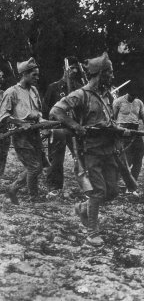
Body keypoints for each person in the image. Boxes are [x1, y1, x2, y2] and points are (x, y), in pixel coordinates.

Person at [50, 52, 118, 246]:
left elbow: (107, 121)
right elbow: (56, 111)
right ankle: (91, 232)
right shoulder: (81, 94)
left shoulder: (105, 96)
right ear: (100, 73)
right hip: (90, 151)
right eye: (110, 72)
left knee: (112, 191)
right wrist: (76, 126)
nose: (112, 76)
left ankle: (83, 208)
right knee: (97, 192)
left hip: (108, 149)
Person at [0, 58, 44, 204]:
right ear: (24, 74)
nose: (37, 78)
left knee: (39, 164)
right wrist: (21, 123)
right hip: (20, 135)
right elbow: (4, 116)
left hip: (34, 132)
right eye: (34, 75)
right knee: (34, 166)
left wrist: (43, 123)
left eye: (38, 75)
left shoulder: (34, 90)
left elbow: (38, 112)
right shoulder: (11, 92)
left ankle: (14, 188)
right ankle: (32, 197)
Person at [43, 57, 82, 196]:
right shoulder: (53, 87)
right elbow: (46, 109)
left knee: (82, 157)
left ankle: (87, 187)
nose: (75, 70)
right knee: (56, 160)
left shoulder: (79, 89)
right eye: (72, 67)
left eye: (76, 68)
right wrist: (47, 128)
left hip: (75, 128)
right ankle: (54, 188)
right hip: (58, 128)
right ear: (65, 69)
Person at [113, 85, 144, 181]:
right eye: (131, 96)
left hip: (135, 132)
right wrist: (118, 131)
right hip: (123, 133)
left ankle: (132, 184)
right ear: (127, 93)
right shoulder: (118, 102)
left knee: (139, 157)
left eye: (135, 96)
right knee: (126, 160)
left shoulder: (139, 102)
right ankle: (115, 182)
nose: (133, 98)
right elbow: (113, 119)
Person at [0, 70, 11, 179]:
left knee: (3, 154)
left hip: (4, 129)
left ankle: (0, 175)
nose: (1, 79)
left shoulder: (4, 94)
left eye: (2, 77)